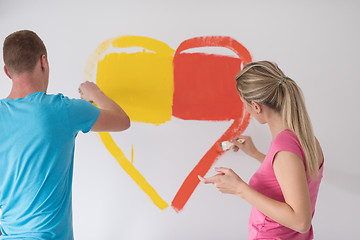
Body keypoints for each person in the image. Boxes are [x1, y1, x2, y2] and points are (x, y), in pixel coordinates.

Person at [0, 30, 130, 239]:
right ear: (43, 62)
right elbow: (122, 121)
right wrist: (94, 93)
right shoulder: (63, 110)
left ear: (7, 71)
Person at [199, 61, 324, 239]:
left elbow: (301, 222)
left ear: (256, 106)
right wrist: (256, 154)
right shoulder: (307, 140)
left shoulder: (284, 150)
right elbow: (289, 176)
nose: (246, 109)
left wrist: (239, 188)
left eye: (245, 104)